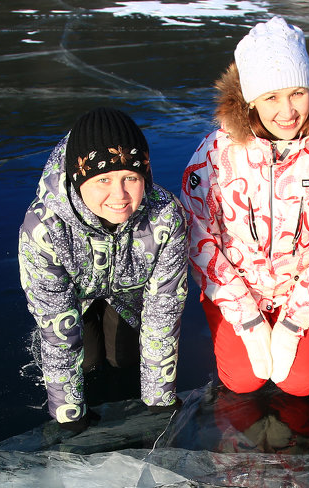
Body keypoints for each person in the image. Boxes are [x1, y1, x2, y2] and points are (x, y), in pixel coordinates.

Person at [180, 16, 309, 398]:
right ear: (250, 100)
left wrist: (295, 322)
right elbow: (198, 238)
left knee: (301, 385)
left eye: (297, 92)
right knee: (242, 382)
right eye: (271, 97)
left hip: (302, 291)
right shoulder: (214, 154)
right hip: (238, 289)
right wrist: (245, 317)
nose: (287, 110)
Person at [18, 107, 188, 430]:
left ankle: (112, 315)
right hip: (76, 294)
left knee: (123, 358)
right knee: (87, 359)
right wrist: (69, 415)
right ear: (80, 180)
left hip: (127, 288)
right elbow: (57, 331)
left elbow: (163, 309)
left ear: (145, 177)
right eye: (103, 180)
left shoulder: (166, 218)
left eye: (130, 178)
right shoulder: (43, 230)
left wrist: (159, 399)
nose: (119, 195)